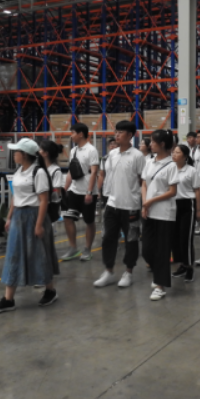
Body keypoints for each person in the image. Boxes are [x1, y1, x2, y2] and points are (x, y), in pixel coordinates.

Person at [0, 139, 59, 312]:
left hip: (34, 215)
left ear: (25, 154)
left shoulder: (38, 172)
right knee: (13, 255)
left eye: (16, 152)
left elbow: (44, 200)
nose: (14, 155)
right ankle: (8, 299)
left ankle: (50, 290)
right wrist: (9, 217)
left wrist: (39, 225)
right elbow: (16, 196)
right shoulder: (19, 171)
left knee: (40, 254)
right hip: (19, 217)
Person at [93, 121, 146, 289]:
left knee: (131, 239)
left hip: (131, 205)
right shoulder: (111, 154)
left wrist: (143, 203)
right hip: (111, 204)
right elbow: (106, 176)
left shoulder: (137, 156)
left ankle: (128, 272)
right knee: (108, 238)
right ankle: (108, 271)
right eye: (116, 131)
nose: (117, 135)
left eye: (121, 132)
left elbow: (143, 181)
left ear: (130, 135)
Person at [141, 129, 179, 301]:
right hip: (149, 211)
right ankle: (158, 275)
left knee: (162, 250)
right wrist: (145, 203)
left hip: (164, 213)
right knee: (147, 249)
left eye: (153, 141)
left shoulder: (171, 165)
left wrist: (151, 201)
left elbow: (172, 191)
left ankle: (160, 285)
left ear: (162, 144)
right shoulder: (149, 162)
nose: (150, 144)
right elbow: (144, 184)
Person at [61, 123, 100, 261]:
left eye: (73, 133)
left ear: (81, 134)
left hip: (88, 192)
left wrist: (89, 192)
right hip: (74, 190)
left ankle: (87, 249)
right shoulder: (73, 151)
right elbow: (71, 171)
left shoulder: (91, 150)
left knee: (89, 221)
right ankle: (73, 248)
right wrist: (64, 189)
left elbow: (94, 172)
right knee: (68, 217)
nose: (71, 136)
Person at [171, 144, 200, 282]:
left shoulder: (191, 170)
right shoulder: (170, 169)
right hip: (172, 205)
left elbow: (197, 190)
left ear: (185, 156)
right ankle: (181, 265)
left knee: (185, 238)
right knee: (175, 238)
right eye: (173, 152)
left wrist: (198, 209)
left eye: (177, 152)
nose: (174, 154)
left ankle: (189, 267)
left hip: (187, 205)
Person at [98, 138, 118, 205]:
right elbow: (101, 175)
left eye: (114, 144)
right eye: (110, 144)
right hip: (107, 190)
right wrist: (98, 190)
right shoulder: (104, 159)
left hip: (119, 192)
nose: (112, 145)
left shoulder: (122, 157)